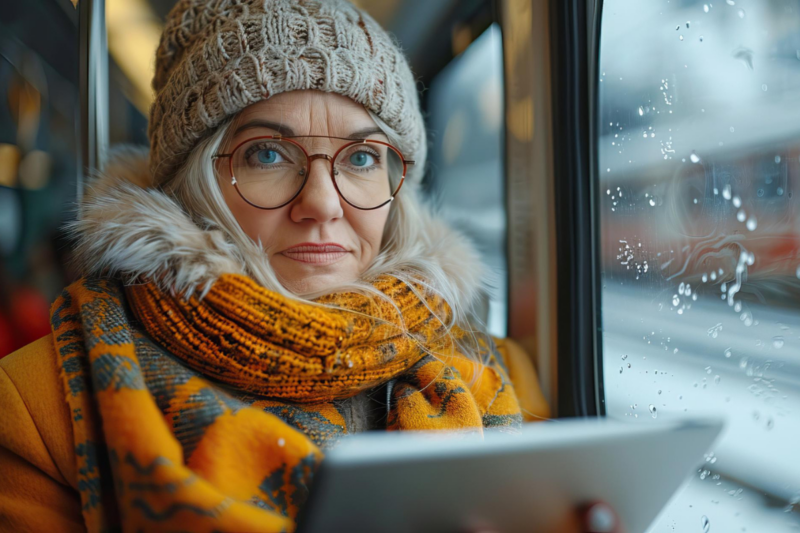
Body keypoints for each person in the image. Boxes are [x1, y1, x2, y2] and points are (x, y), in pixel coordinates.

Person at [0, 1, 615, 532]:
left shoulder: (499, 371)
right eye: (268, 153)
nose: (322, 203)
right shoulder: (36, 404)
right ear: (194, 183)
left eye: (363, 158)